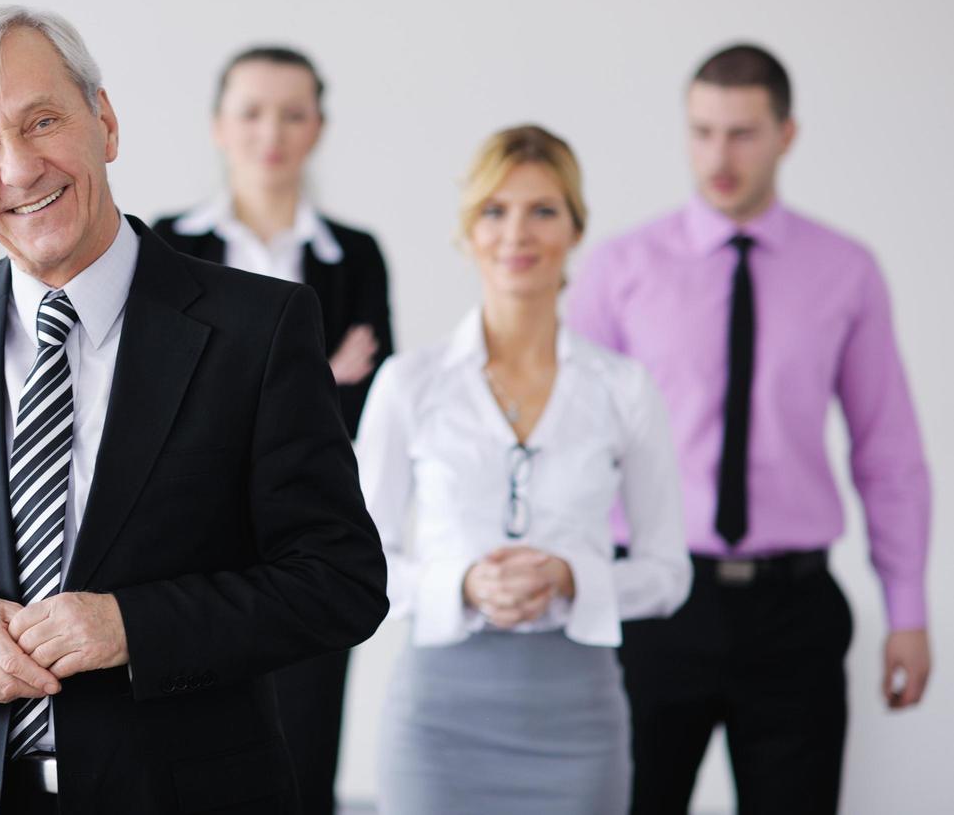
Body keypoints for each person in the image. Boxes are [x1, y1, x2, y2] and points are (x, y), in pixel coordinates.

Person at [0, 6, 388, 815]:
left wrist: (132, 625)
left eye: (42, 121)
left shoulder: (259, 328)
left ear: (104, 122)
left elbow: (337, 580)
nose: (20, 168)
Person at [568, 44, 933, 814]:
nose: (718, 156)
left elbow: (887, 451)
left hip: (791, 612)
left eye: (740, 133)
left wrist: (906, 610)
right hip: (654, 600)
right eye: (701, 131)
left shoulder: (845, 270)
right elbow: (572, 443)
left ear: (785, 134)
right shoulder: (621, 268)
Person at [359, 125, 690, 815]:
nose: (517, 233)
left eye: (542, 210)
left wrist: (574, 578)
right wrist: (464, 582)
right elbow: (357, 561)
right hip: (435, 720)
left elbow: (667, 572)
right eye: (494, 211)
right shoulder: (409, 383)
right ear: (468, 231)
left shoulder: (622, 388)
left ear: (574, 229)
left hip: (576, 718)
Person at [152, 45, 393, 815]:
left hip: (306, 544)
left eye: (293, 113)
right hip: (183, 548)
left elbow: (369, 413)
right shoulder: (165, 244)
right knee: (181, 762)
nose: (271, 132)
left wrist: (237, 393)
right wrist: (317, 378)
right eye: (250, 111)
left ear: (318, 127)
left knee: (300, 760)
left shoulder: (353, 257)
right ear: (218, 126)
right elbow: (154, 405)